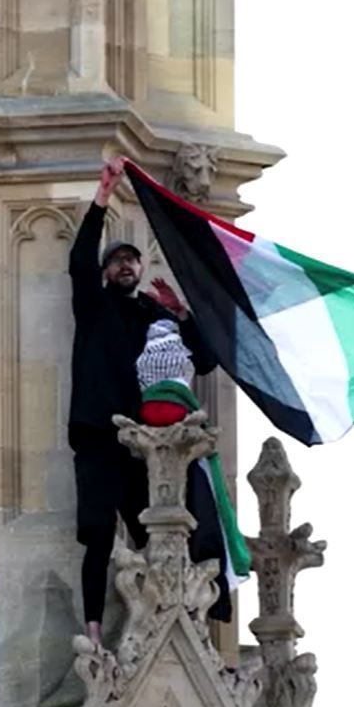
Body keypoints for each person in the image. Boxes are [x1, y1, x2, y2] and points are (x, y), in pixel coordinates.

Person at [69, 156, 219, 646]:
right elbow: (79, 261)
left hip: (150, 441)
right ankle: (93, 630)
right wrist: (102, 195)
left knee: (158, 531)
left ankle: (171, 629)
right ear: (108, 271)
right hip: (100, 433)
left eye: (132, 259)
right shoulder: (94, 306)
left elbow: (204, 360)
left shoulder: (156, 314)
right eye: (117, 260)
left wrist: (183, 314)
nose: (126, 265)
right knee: (96, 533)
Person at [134, 318, 249, 623]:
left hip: (166, 446)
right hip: (162, 451)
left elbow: (207, 358)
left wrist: (184, 315)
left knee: (201, 525)